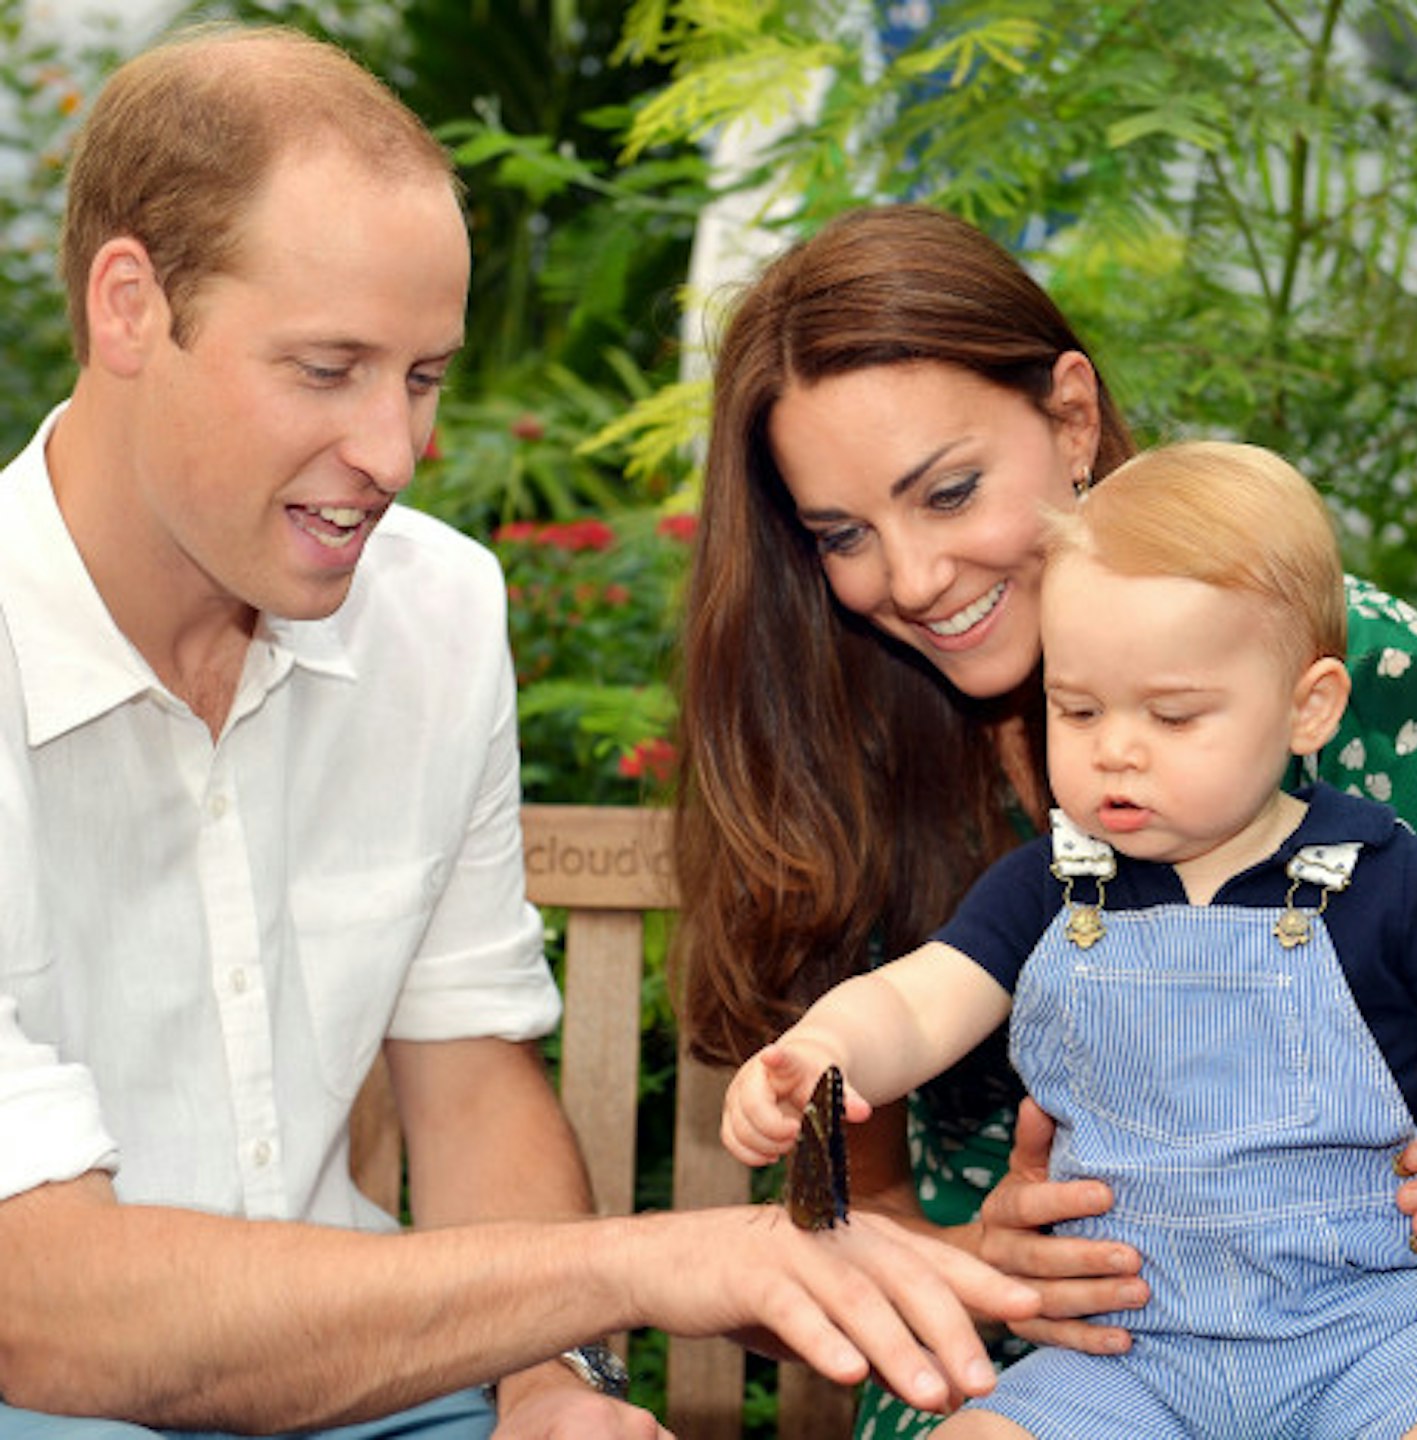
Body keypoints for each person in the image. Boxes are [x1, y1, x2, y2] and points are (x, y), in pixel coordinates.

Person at [0, 29, 1045, 1439]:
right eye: (329, 370)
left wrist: (561, 1383)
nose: (396, 450)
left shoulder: (431, 610)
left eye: (424, 376)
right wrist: (634, 1265)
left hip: (378, 1392)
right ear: (130, 306)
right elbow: (41, 1310)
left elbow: (470, 1071)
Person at [672, 203, 1417, 1437]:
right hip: (1076, 1366)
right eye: (843, 535)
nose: (913, 579)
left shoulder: (1316, 651)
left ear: (1071, 419)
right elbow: (898, 1047)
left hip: (1368, 1332)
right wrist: (965, 1259)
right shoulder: (878, 768)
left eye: (950, 491)